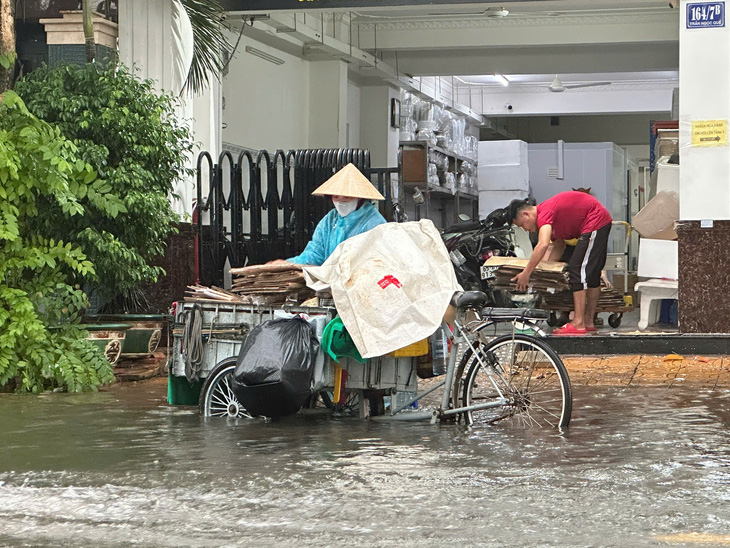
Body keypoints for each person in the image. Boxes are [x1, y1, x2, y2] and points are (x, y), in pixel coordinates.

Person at [508, 191, 612, 335]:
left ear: (526, 214)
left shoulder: (543, 212)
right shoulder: (548, 218)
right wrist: (546, 272)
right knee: (592, 275)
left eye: (522, 224)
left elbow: (543, 244)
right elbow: (559, 245)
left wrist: (526, 273)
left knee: (576, 269)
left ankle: (579, 323)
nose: (525, 229)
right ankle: (588, 321)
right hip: (600, 221)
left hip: (595, 221)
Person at [273, 163, 386, 266]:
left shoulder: (374, 223)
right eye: (335, 197)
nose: (340, 201)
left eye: (346, 197)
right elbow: (315, 254)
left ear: (359, 197)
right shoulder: (329, 220)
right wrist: (289, 264)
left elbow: (378, 262)